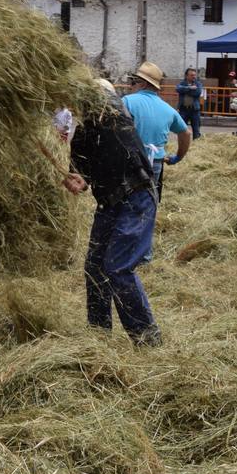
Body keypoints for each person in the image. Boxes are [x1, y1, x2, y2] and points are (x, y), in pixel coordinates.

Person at [63, 82, 162, 347]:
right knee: (94, 268)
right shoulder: (84, 134)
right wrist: (77, 180)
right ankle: (99, 336)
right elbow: (80, 175)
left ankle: (146, 338)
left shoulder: (115, 117)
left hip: (136, 197)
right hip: (108, 203)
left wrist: (84, 87)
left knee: (118, 268)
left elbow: (103, 98)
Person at [120, 62, 190, 200]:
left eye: (134, 81)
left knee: (125, 204)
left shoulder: (127, 101)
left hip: (129, 162)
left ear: (144, 84)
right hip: (155, 163)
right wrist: (178, 157)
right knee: (148, 203)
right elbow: (186, 133)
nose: (131, 85)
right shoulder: (168, 109)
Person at [174, 68, 204, 140]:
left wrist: (185, 90)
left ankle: (196, 145)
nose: (194, 77)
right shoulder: (182, 83)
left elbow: (198, 92)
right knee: (182, 129)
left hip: (194, 110)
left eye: (194, 75)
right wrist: (190, 88)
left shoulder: (198, 83)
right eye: (191, 75)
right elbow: (178, 89)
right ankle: (183, 145)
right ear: (186, 76)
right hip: (183, 110)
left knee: (196, 129)